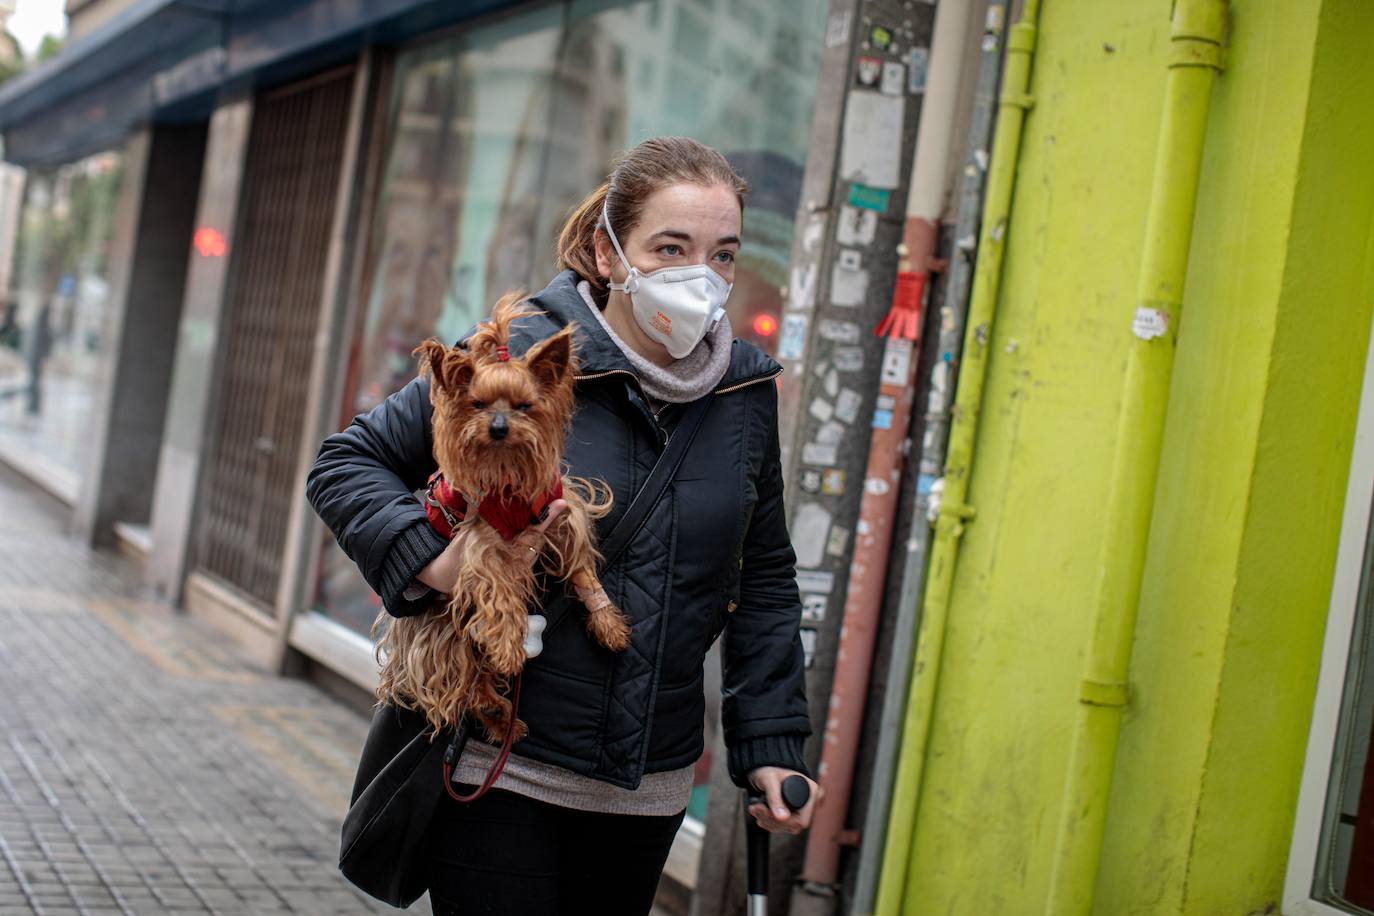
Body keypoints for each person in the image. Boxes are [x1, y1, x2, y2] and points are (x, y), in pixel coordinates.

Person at [306, 136, 816, 916]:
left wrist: (773, 746)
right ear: (610, 256)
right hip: (506, 767)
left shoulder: (744, 395)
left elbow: (767, 575)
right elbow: (345, 465)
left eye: (722, 255)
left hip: (649, 791)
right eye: (671, 248)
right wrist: (434, 565)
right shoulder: (514, 358)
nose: (700, 276)